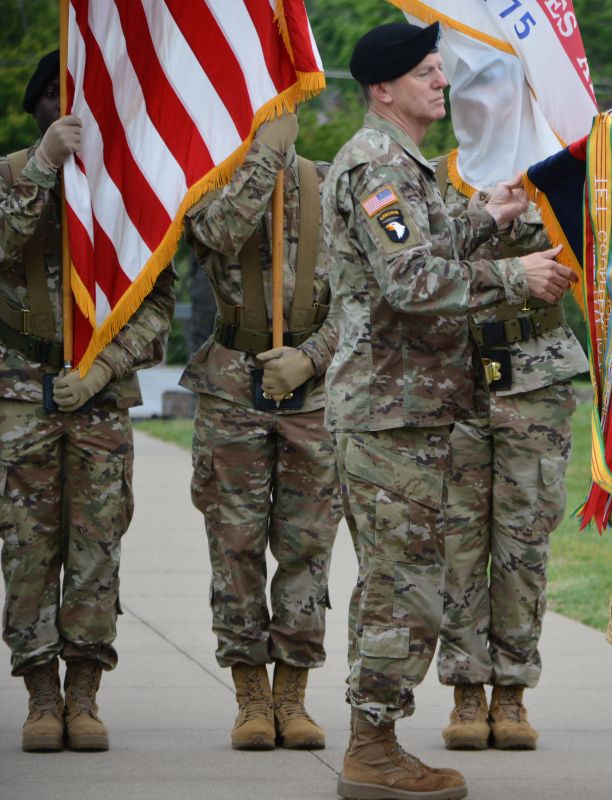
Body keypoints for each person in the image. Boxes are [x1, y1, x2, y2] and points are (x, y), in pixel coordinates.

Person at [321, 22, 575, 800]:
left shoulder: (402, 165)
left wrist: (485, 218)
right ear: (384, 89)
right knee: (402, 586)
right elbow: (408, 282)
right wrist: (513, 274)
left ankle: (376, 739)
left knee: (403, 581)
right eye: (427, 73)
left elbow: (424, 245)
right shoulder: (376, 167)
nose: (442, 82)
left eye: (441, 69)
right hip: (389, 412)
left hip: (410, 409)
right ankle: (373, 750)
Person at [0, 51, 175, 753]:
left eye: (77, 93)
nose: (66, 107)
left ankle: (84, 693)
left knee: (97, 550)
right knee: (28, 551)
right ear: (36, 108)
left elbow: (156, 304)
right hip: (21, 395)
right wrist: (45, 165)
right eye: (53, 95)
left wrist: (103, 370)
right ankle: (41, 694)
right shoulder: (9, 175)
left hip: (97, 401)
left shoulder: (129, 194)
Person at [182, 111, 340, 751]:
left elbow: (365, 294)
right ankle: (250, 694)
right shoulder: (206, 190)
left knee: (308, 547)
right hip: (231, 389)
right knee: (235, 546)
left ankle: (292, 695)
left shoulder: (333, 185)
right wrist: (262, 160)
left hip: (314, 394)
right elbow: (222, 234)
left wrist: (313, 356)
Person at [435, 174, 587, 752]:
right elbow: (420, 267)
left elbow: (583, 250)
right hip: (452, 378)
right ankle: (466, 691)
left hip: (535, 379)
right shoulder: (432, 181)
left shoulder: (554, 180)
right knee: (458, 546)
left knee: (524, 545)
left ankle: (512, 691)